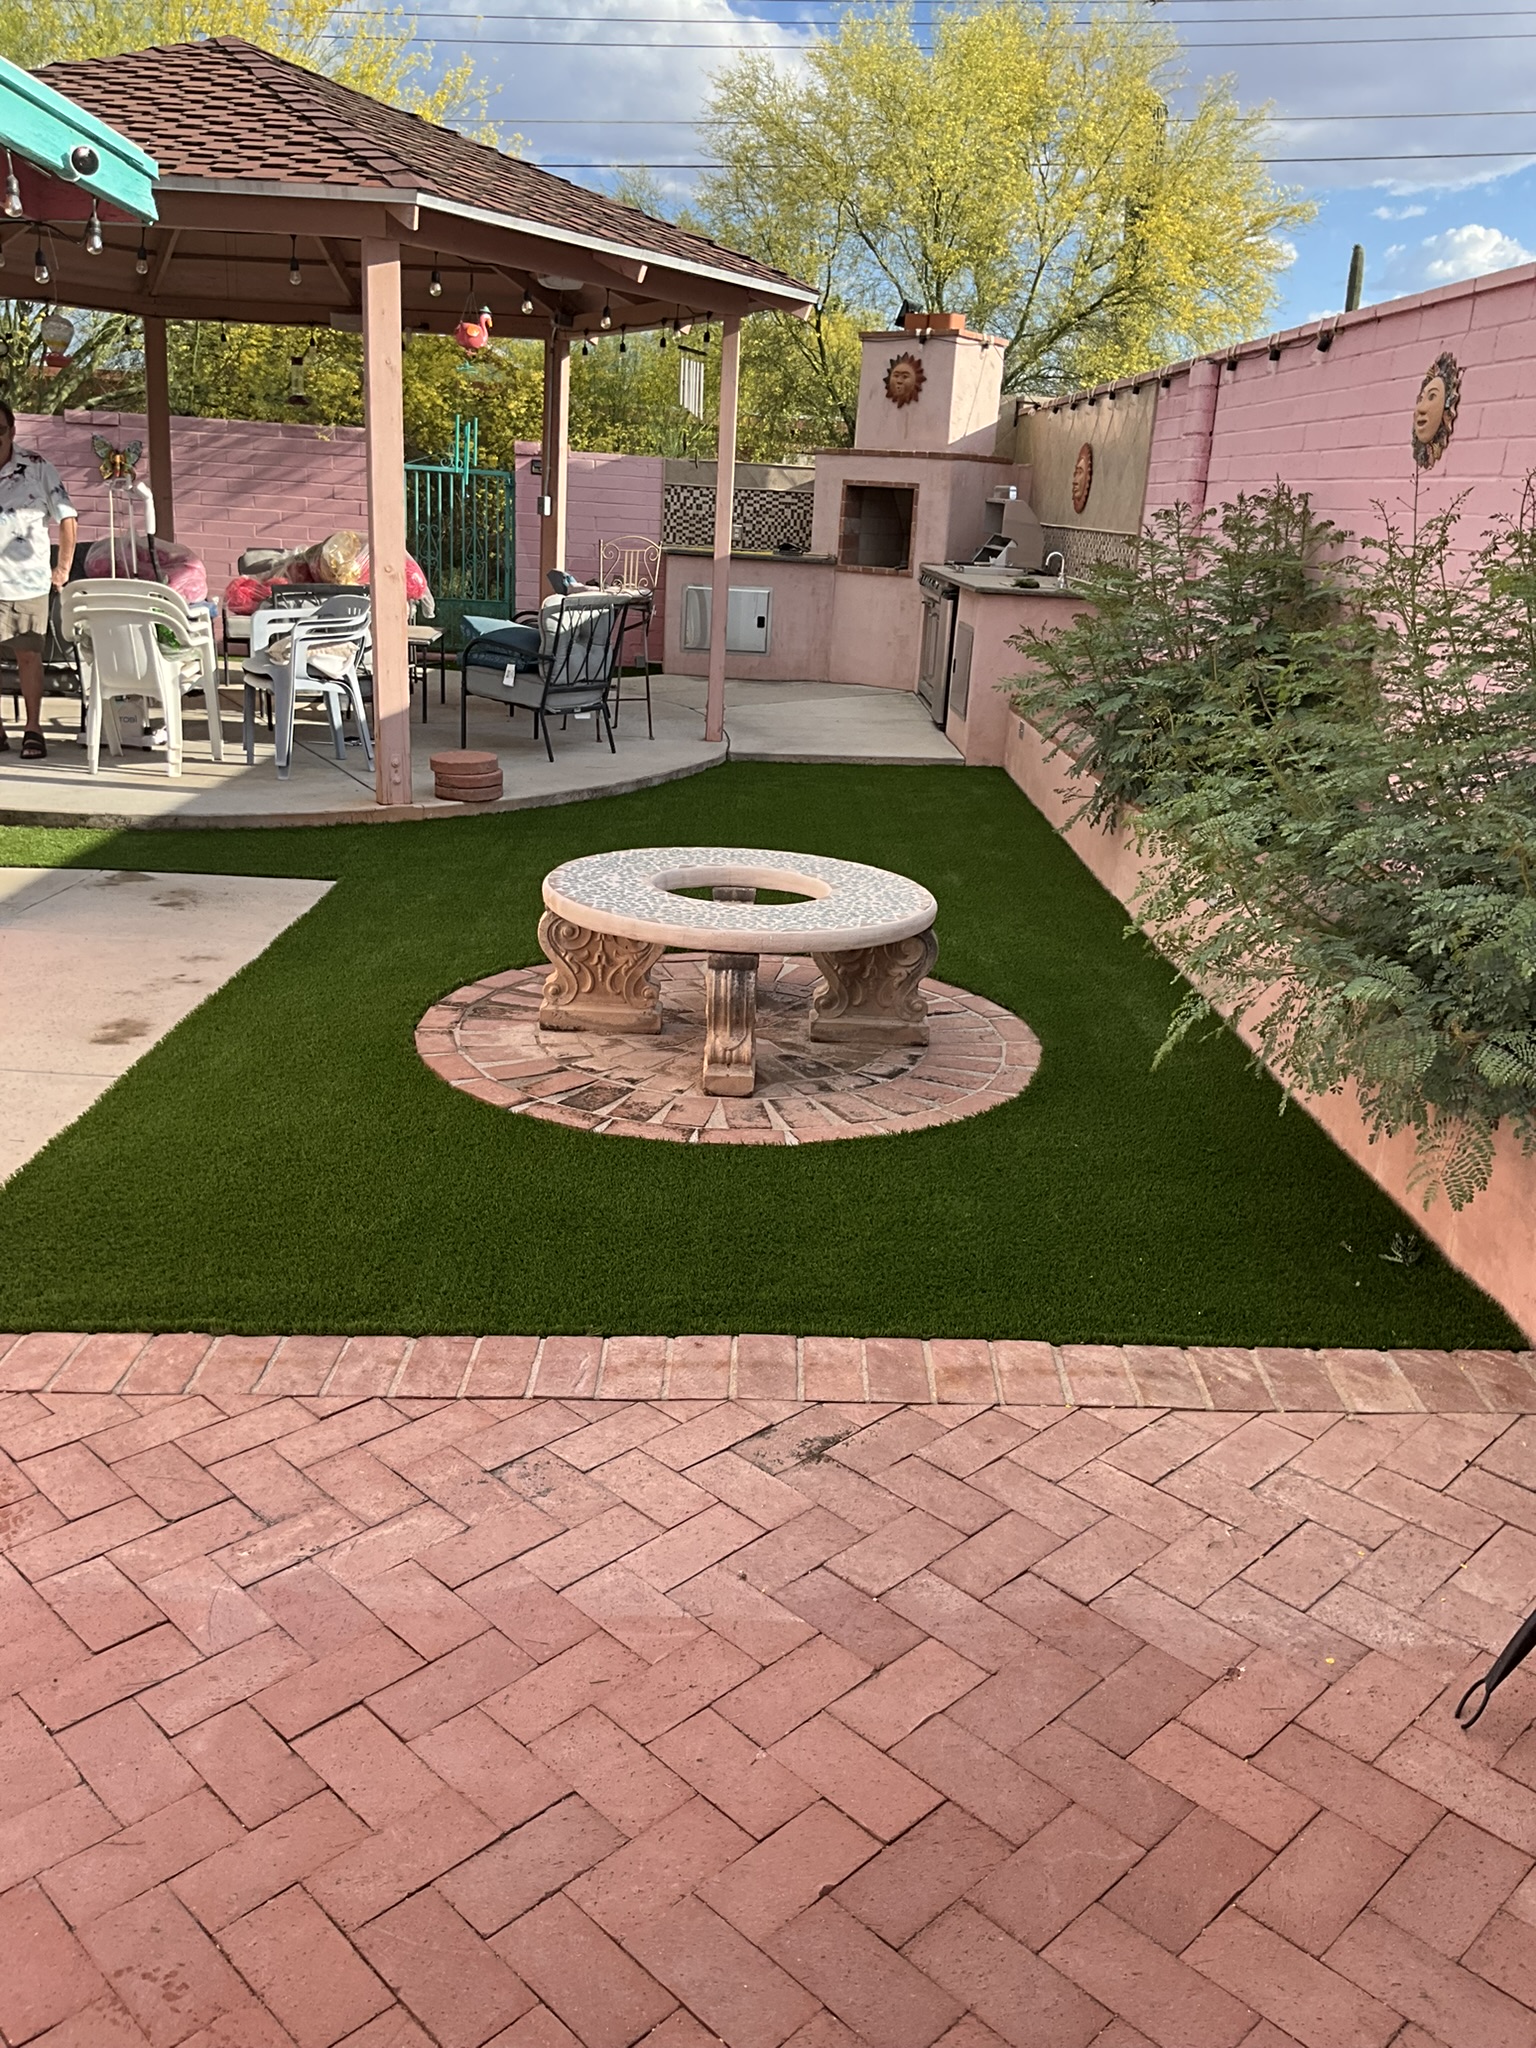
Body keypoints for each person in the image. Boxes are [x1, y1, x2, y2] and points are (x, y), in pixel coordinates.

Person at [0, 401, 77, 760]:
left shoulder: (37, 467)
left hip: (27, 582)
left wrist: (61, 569)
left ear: (11, 431)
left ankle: (33, 728)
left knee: (29, 656)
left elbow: (67, 516)